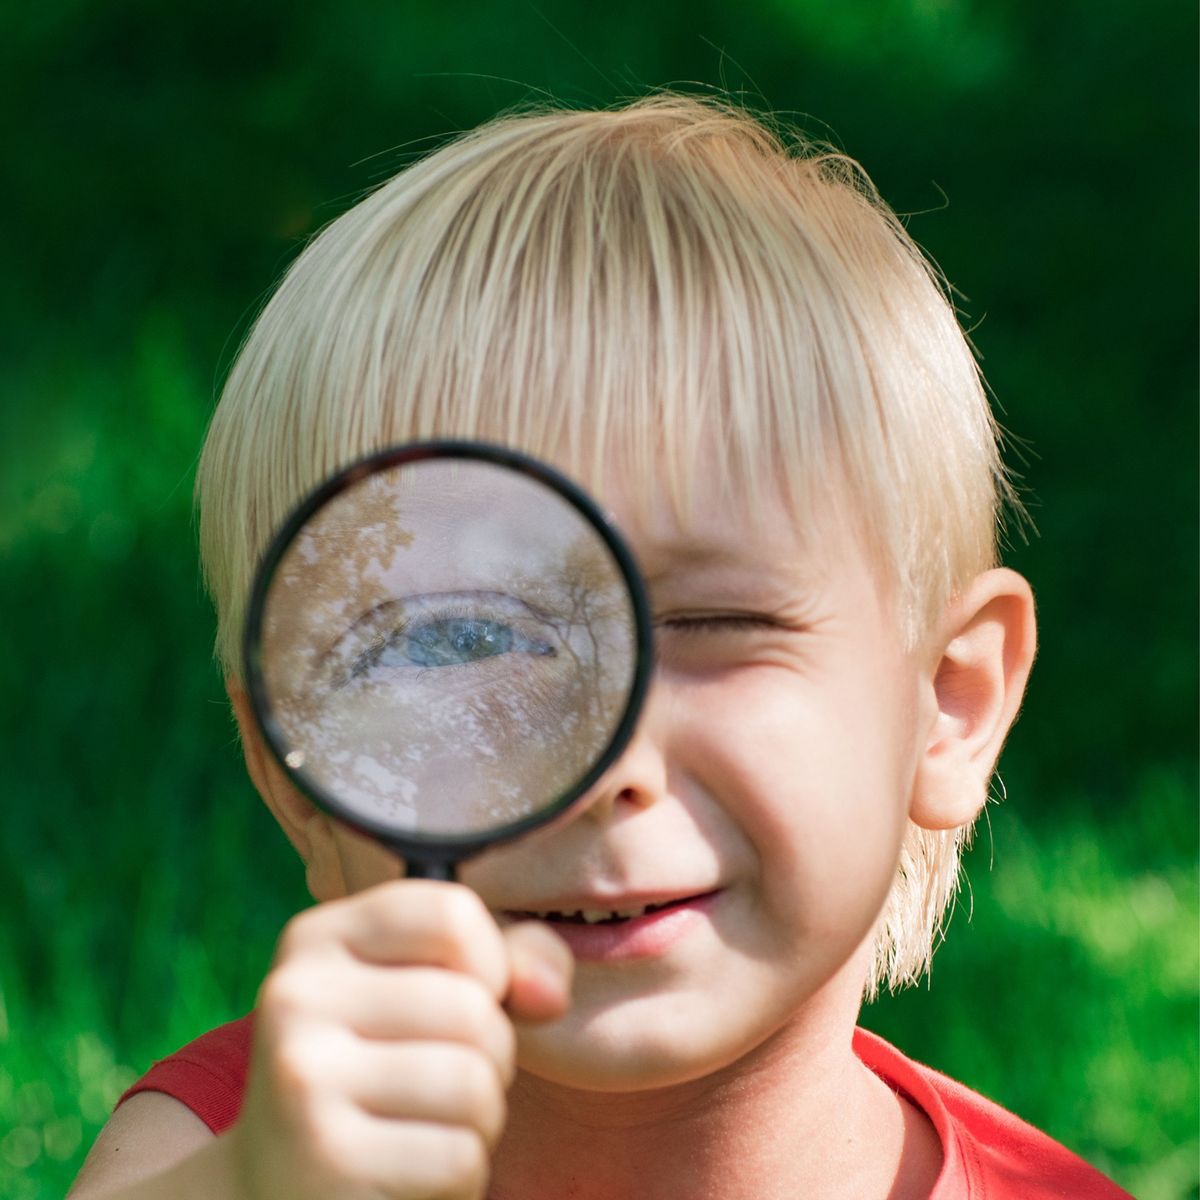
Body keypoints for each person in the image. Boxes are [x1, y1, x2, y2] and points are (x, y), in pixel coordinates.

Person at [68, 92, 1130, 1199]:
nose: (607, 767)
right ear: (296, 774)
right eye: (460, 640)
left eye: (714, 625)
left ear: (948, 704)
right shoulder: (242, 1148)